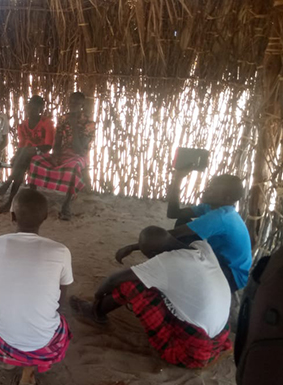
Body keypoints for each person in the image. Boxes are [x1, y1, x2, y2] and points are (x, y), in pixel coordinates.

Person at [72, 226, 232, 369]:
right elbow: (166, 238)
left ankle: (96, 312)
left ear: (155, 254)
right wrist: (136, 246)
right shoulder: (202, 247)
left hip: (191, 353)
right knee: (156, 283)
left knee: (132, 286)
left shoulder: (165, 262)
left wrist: (98, 296)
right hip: (219, 337)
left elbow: (112, 280)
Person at [0, 189, 73, 385]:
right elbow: (62, 297)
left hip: (2, 333)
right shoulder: (60, 251)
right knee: (60, 322)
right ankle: (27, 376)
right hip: (42, 338)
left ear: (12, 216)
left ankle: (7, 358)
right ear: (45, 217)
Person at [116, 173, 252, 291]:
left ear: (226, 199)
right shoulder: (211, 207)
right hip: (220, 260)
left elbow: (173, 235)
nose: (207, 190)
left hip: (231, 275)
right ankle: (172, 267)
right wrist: (178, 178)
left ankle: (166, 273)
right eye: (209, 186)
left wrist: (133, 247)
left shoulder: (220, 217)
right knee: (183, 221)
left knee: (168, 242)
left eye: (212, 190)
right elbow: (174, 213)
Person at [28, 92, 96, 220]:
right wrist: (55, 155)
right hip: (63, 153)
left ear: (82, 105)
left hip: (79, 156)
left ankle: (66, 204)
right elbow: (57, 140)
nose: (72, 105)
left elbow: (80, 148)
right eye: (71, 101)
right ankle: (33, 196)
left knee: (73, 168)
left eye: (76, 102)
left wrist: (74, 125)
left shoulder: (89, 124)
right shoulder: (63, 119)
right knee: (36, 161)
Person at [0, 95, 54, 213]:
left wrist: (32, 150)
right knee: (21, 162)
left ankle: (9, 185)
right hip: (25, 156)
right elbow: (21, 145)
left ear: (40, 109)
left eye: (35, 108)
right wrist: (17, 156)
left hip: (42, 155)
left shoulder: (47, 123)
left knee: (23, 156)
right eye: (29, 108)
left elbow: (48, 146)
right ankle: (10, 199)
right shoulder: (23, 125)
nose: (31, 111)